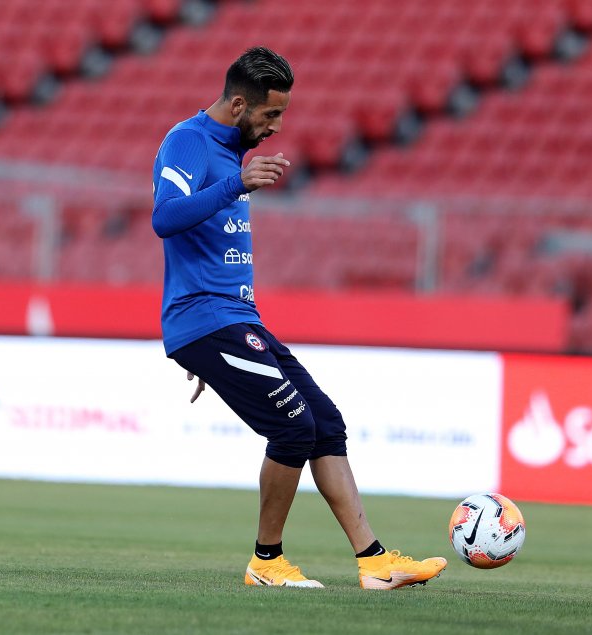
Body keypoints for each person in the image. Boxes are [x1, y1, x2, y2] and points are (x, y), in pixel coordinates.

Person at [150, 46, 446, 590]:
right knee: (293, 428)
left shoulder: (228, 151)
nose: (276, 127)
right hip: (207, 319)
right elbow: (164, 218)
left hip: (236, 320)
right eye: (270, 115)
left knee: (325, 422)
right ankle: (266, 562)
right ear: (238, 104)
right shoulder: (188, 142)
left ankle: (375, 562)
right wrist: (236, 183)